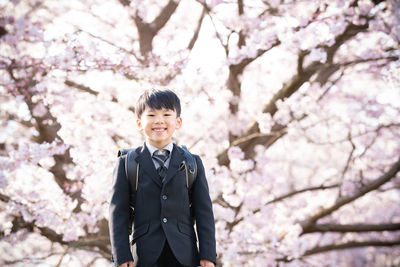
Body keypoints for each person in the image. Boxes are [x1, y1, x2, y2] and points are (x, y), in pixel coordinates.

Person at [109, 89, 216, 267]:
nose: (159, 120)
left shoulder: (192, 162)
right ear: (139, 123)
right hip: (144, 256)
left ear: (178, 121)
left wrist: (208, 255)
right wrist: (121, 256)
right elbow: (118, 213)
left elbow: (204, 212)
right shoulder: (127, 163)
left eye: (167, 114)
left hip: (185, 254)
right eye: (151, 115)